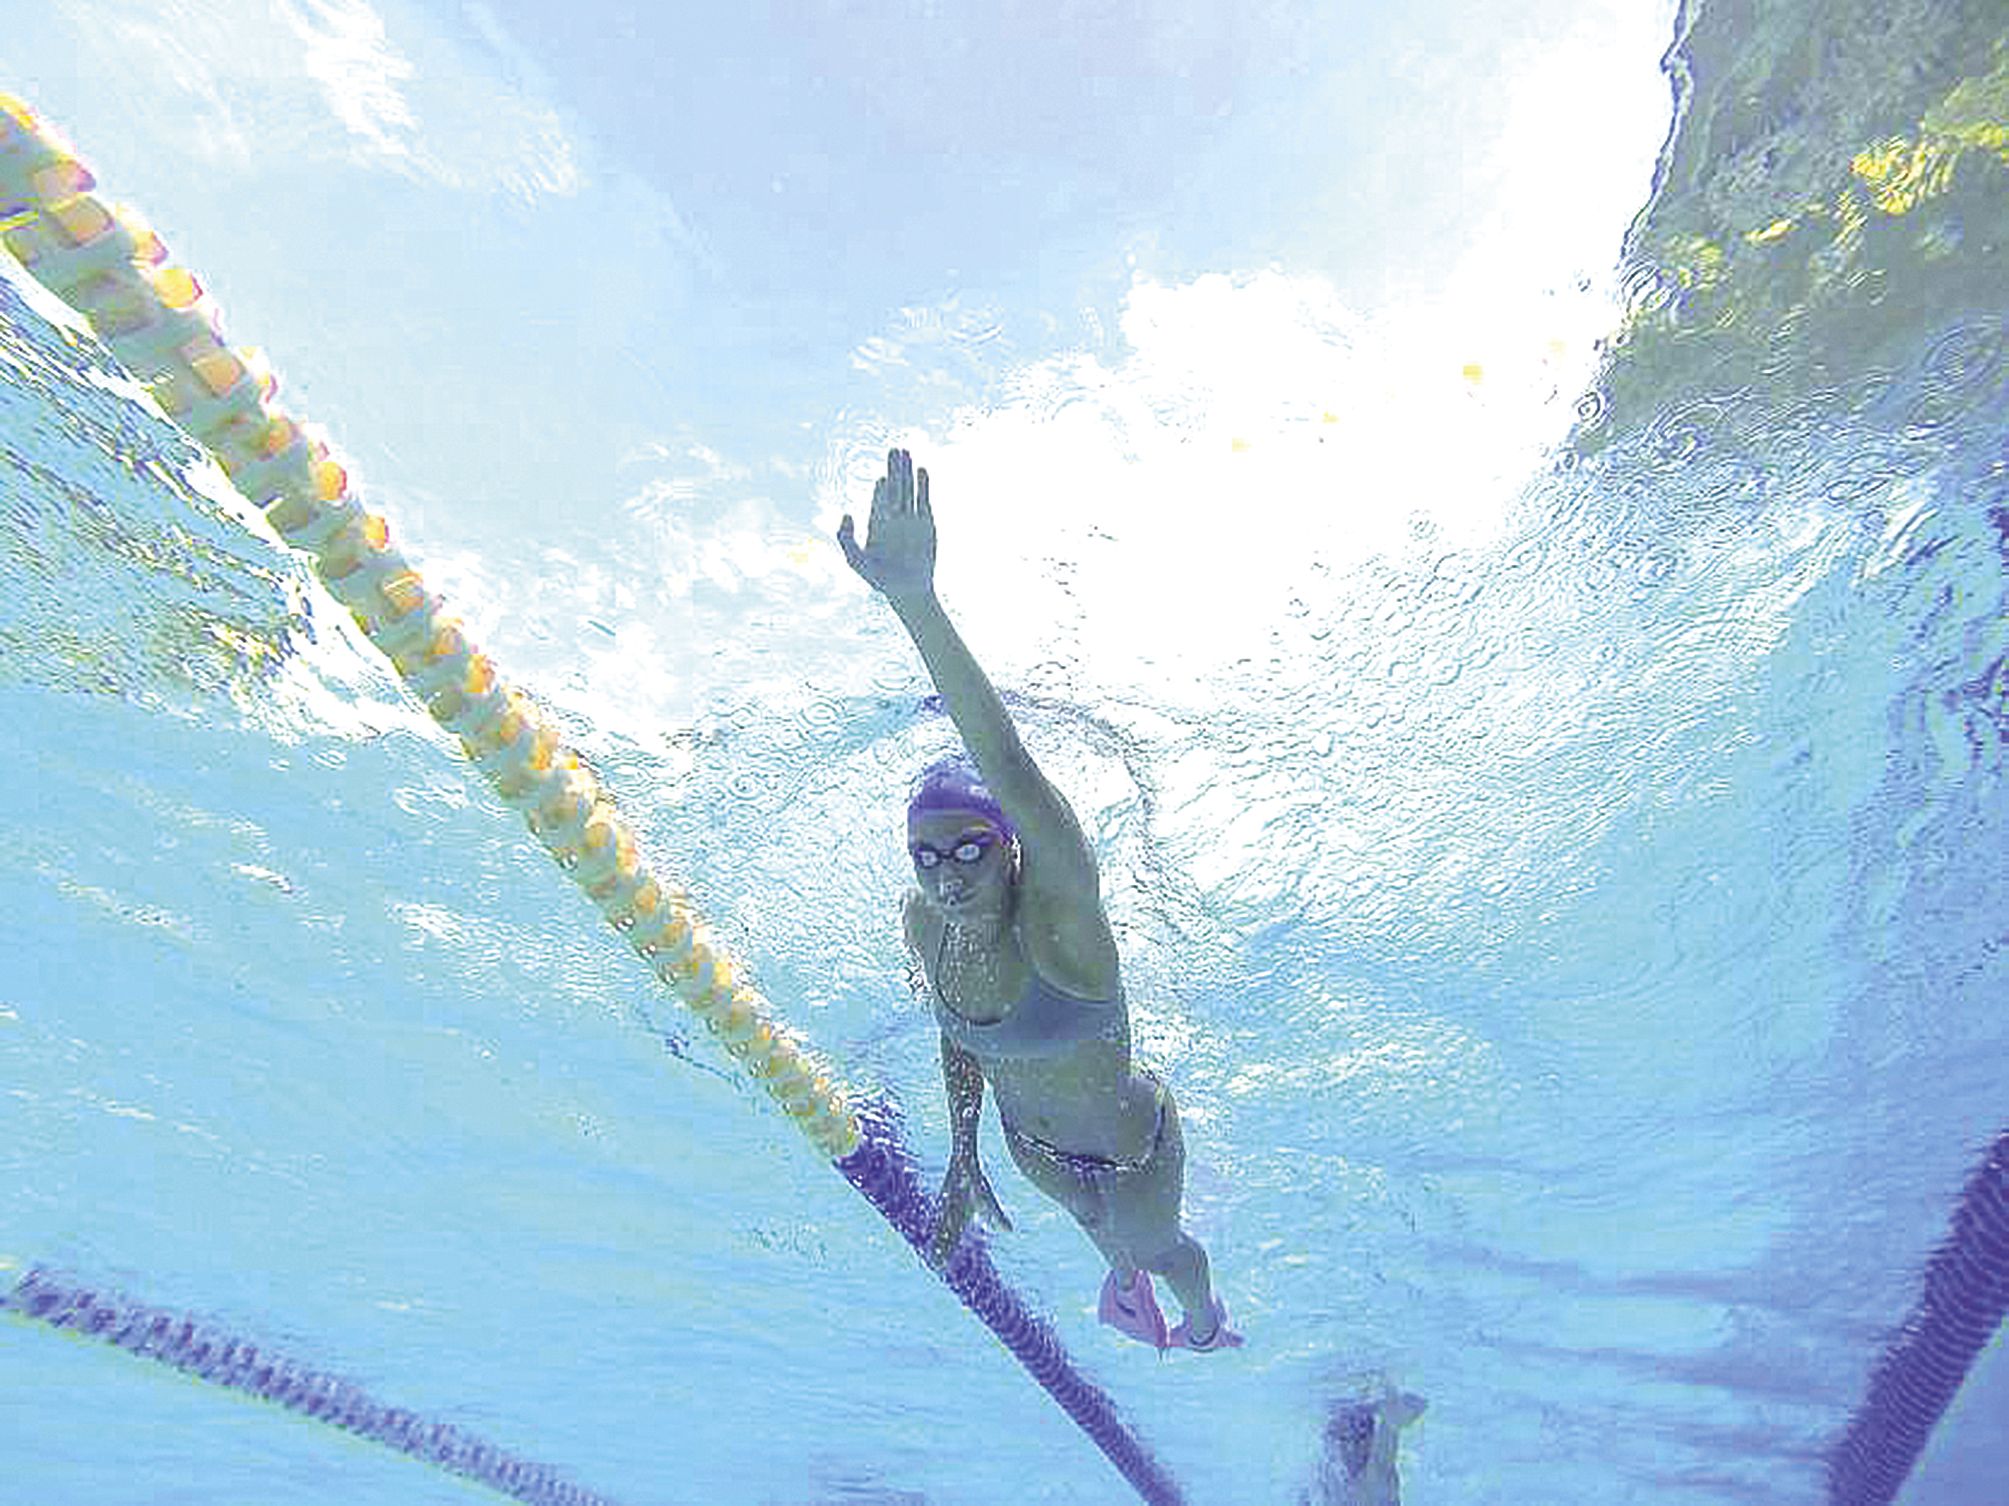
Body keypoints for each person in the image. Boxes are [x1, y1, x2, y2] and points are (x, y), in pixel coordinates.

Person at [838, 447, 1241, 1352]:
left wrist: (914, 598)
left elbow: (1010, 768)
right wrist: (962, 1150)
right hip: (1034, 1154)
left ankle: (1207, 1322)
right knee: (1105, 1243)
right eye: (926, 855)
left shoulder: (1060, 926)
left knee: (1157, 1246)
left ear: (1010, 849)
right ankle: (1124, 1280)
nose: (946, 874)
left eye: (969, 850)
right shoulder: (924, 925)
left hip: (1131, 1148)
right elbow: (957, 1032)